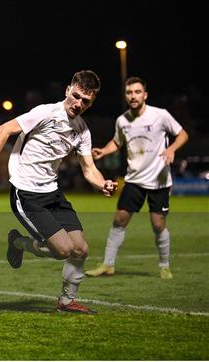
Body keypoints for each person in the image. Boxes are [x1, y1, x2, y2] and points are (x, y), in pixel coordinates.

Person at [0, 70, 117, 314]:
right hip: (27, 193)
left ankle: (67, 300)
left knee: (81, 249)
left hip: (52, 193)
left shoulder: (82, 130)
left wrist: (102, 183)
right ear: (67, 90)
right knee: (62, 250)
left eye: (86, 101)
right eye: (76, 96)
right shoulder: (45, 113)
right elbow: (2, 130)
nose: (79, 104)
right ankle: (18, 242)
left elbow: (89, 169)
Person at [85, 77, 189, 279]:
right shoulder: (122, 120)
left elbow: (183, 134)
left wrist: (171, 149)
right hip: (133, 180)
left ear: (145, 95)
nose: (133, 96)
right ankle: (108, 265)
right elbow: (117, 142)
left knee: (158, 225)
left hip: (159, 181)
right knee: (119, 220)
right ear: (126, 96)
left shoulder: (160, 115)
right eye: (129, 92)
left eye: (137, 92)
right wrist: (103, 152)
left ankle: (164, 265)